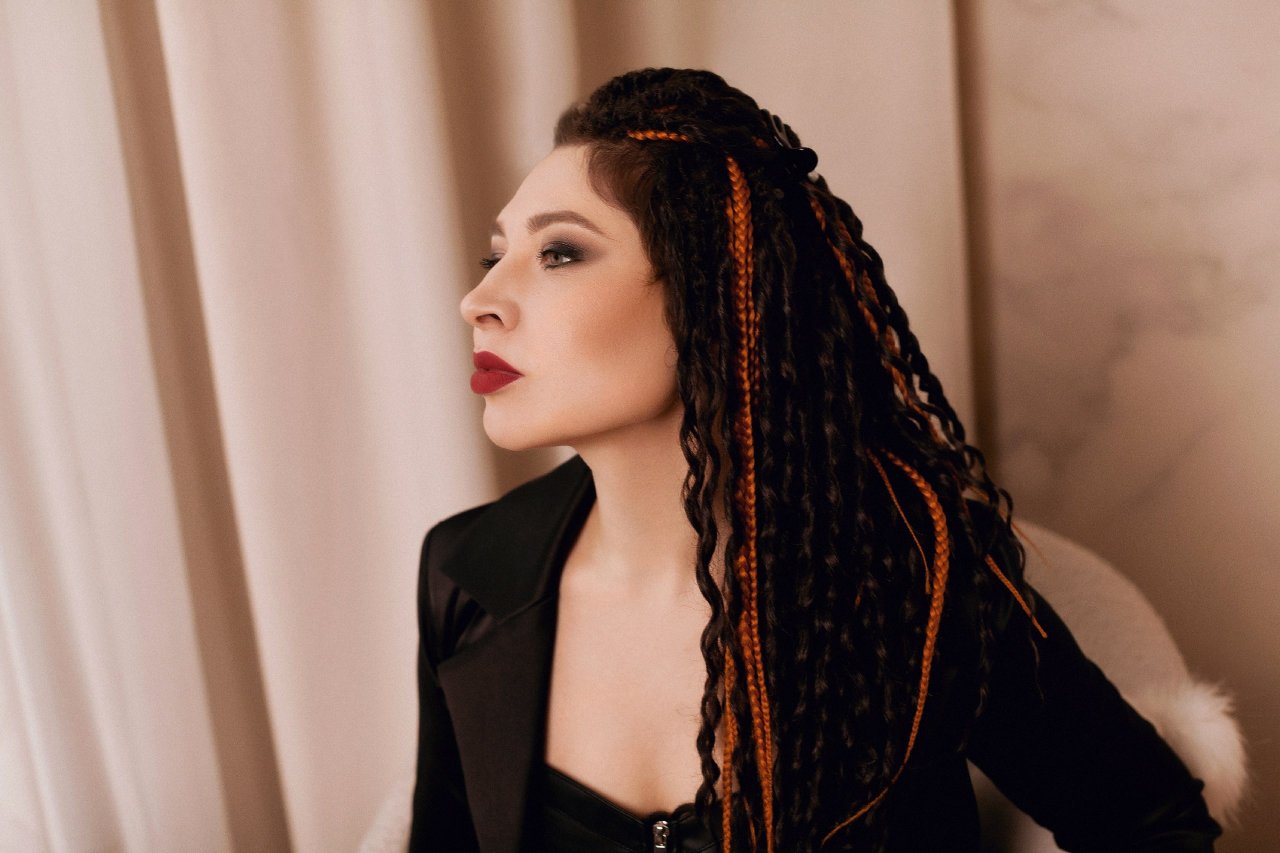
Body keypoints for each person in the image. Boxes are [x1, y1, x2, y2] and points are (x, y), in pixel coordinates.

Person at [410, 68, 1221, 852]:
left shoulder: (911, 572)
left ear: (714, 292)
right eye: (495, 256)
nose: (479, 300)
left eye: (558, 253)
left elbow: (1154, 825)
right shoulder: (469, 573)